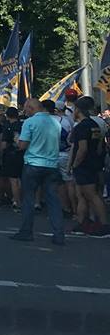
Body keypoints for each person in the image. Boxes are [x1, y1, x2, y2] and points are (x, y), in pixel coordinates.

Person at [11, 98, 63, 245]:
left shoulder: (29, 122)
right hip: (52, 164)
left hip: (33, 164)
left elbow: (22, 145)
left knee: (28, 198)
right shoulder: (55, 122)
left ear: (31, 108)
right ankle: (59, 233)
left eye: (26, 109)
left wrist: (16, 140)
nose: (24, 112)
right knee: (53, 200)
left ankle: (26, 231)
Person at [68, 96, 110, 238]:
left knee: (92, 195)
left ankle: (104, 225)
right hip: (94, 163)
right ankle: (83, 222)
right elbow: (99, 146)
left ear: (78, 110)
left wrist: (74, 164)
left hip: (84, 165)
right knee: (82, 195)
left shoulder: (81, 127)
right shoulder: (95, 125)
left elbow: (82, 149)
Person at [0, 107, 24, 211]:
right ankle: (21, 200)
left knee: (13, 180)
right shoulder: (23, 125)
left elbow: (3, 144)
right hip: (22, 154)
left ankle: (17, 202)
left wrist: (1, 155)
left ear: (7, 116)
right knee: (20, 179)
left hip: (10, 154)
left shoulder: (7, 127)